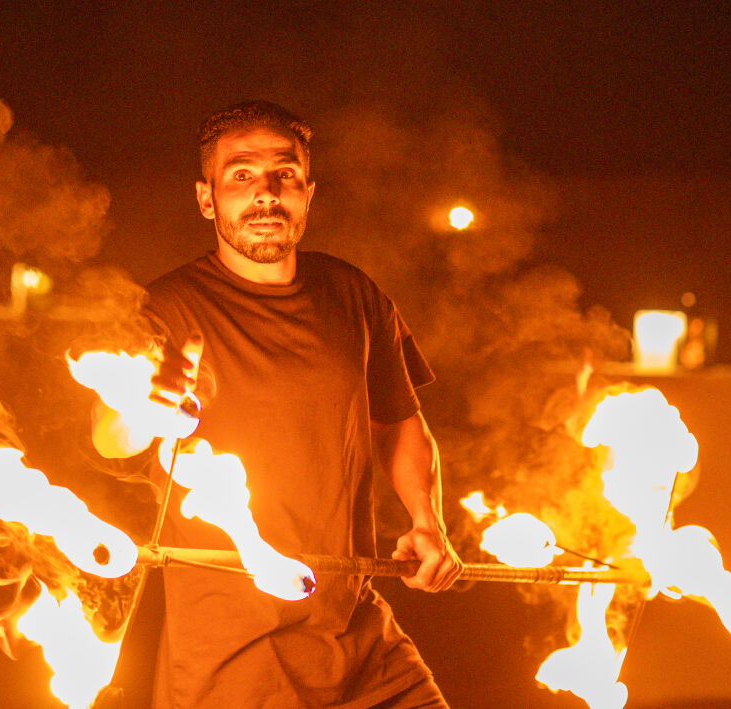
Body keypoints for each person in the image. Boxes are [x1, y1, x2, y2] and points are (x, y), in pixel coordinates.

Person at [93, 100, 462, 708]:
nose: (265, 192)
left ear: (308, 192)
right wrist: (146, 410)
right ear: (207, 198)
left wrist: (426, 520)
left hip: (360, 634)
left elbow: (398, 421)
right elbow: (110, 436)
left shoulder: (352, 292)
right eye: (240, 175)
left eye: (284, 174)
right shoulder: (166, 309)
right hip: (234, 655)